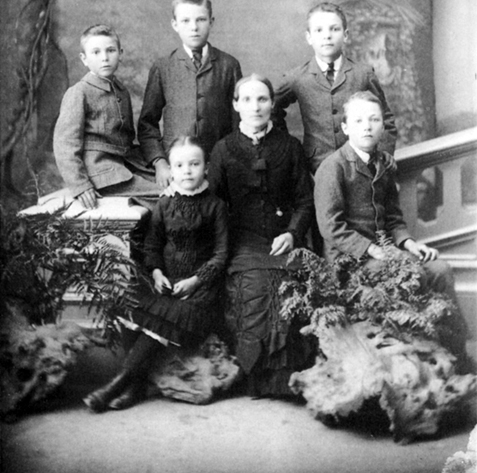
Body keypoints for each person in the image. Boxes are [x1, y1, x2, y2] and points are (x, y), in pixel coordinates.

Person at [314, 91, 469, 366]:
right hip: (349, 260)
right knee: (413, 274)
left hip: (387, 253)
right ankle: (416, 356)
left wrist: (410, 243)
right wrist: (371, 250)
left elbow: (394, 218)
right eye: (359, 120)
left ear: (382, 126)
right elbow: (330, 226)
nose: (367, 126)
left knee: (440, 269)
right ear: (345, 127)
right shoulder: (333, 167)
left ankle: (455, 352)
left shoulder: (382, 164)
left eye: (374, 120)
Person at [83, 136, 228, 412]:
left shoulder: (215, 206)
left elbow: (221, 254)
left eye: (194, 164)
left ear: (206, 167)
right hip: (167, 284)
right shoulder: (164, 204)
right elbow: (152, 246)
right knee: (130, 303)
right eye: (180, 165)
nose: (187, 171)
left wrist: (195, 280)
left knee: (164, 322)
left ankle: (117, 385)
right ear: (170, 170)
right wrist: (158, 273)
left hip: (200, 291)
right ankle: (136, 386)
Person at [208, 74, 315, 398]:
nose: (255, 107)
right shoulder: (223, 149)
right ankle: (258, 378)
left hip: (284, 241)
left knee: (287, 287)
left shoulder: (290, 147)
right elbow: (213, 206)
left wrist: (293, 233)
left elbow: (305, 201)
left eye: (262, 99)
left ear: (271, 104)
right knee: (254, 287)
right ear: (236, 105)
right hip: (243, 244)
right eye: (247, 100)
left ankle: (287, 378)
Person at [273, 2, 397, 174]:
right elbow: (271, 109)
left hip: (361, 166)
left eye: (334, 29)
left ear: (345, 35)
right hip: (316, 167)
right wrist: (288, 147)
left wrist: (383, 152)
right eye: (319, 30)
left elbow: (386, 118)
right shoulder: (297, 77)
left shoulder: (363, 74)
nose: (327, 36)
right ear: (309, 37)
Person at [138, 0, 242, 191]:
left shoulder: (229, 65)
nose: (194, 27)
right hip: (175, 169)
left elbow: (238, 121)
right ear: (175, 24)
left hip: (219, 166)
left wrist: (229, 161)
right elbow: (147, 124)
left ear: (211, 22)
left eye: (200, 20)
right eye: (185, 21)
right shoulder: (163, 67)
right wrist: (159, 162)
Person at [53, 24, 159, 210]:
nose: (104, 58)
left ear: (120, 53)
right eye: (96, 52)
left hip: (125, 164)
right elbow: (65, 144)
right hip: (101, 173)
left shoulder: (121, 91)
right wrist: (80, 185)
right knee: (165, 195)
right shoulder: (79, 92)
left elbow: (126, 139)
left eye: (110, 50)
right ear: (84, 59)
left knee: (176, 183)